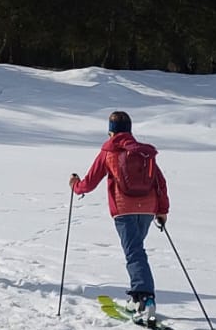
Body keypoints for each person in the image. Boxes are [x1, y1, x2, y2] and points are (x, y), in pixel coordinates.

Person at [69, 109, 169, 319]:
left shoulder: (109, 151)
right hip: (148, 209)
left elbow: (89, 182)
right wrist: (162, 210)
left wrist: (75, 186)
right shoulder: (144, 153)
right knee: (136, 251)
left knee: (134, 252)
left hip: (124, 209)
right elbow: (160, 182)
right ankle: (141, 296)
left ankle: (143, 297)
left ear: (111, 132)